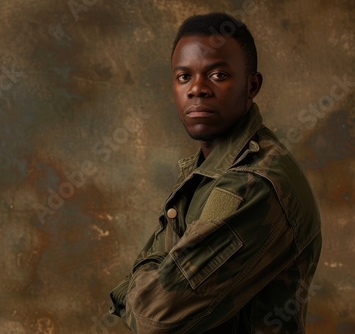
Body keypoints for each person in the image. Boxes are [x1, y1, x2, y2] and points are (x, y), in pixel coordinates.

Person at [109, 12, 322, 333]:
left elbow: (153, 318)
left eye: (218, 75)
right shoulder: (209, 170)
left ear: (252, 85)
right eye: (184, 77)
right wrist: (151, 280)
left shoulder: (253, 184)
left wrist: (134, 286)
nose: (197, 89)